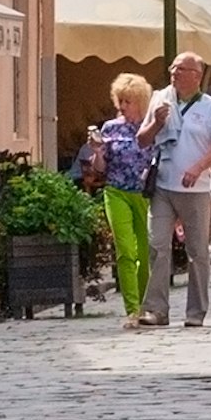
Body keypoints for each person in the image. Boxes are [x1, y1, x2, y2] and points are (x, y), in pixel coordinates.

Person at [141, 51, 211, 329]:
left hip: (196, 189)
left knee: (197, 252)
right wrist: (156, 122)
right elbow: (142, 140)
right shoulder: (160, 99)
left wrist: (199, 167)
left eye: (181, 69)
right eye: (173, 69)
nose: (174, 74)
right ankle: (156, 310)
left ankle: (195, 311)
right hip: (163, 186)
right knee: (157, 246)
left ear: (197, 75)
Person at [90, 74, 161, 328]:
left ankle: (146, 307)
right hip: (116, 191)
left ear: (140, 101)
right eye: (119, 100)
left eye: (127, 101)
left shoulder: (152, 127)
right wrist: (98, 151)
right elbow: (100, 168)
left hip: (143, 194)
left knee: (144, 251)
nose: (122, 106)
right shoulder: (111, 128)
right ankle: (131, 309)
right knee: (125, 251)